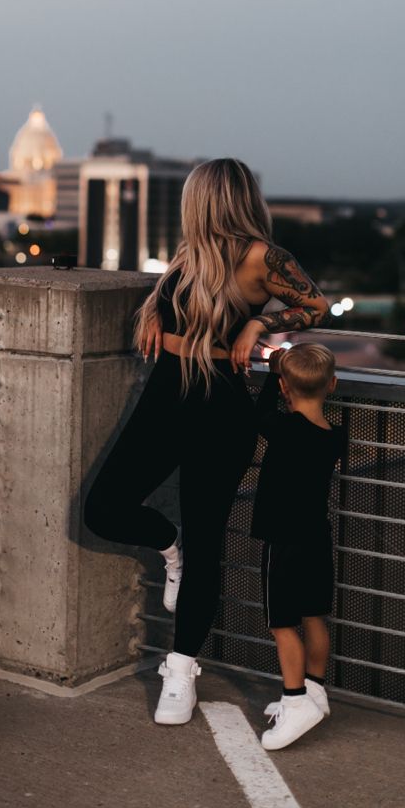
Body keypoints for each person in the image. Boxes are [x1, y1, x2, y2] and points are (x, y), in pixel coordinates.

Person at [84, 158, 328, 726]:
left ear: (209, 198)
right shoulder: (190, 253)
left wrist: (258, 325)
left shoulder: (264, 258)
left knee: (210, 542)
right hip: (164, 400)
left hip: (221, 408)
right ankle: (169, 545)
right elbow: (169, 301)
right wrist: (152, 313)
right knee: (104, 508)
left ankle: (181, 666)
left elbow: (317, 304)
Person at [251, 343, 346, 751]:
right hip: (316, 537)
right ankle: (315, 690)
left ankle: (295, 701)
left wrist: (273, 374)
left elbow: (259, 416)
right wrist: (285, 376)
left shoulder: (285, 430)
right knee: (313, 616)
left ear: (287, 388)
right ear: (333, 384)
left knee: (281, 624)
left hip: (283, 540)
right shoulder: (334, 437)